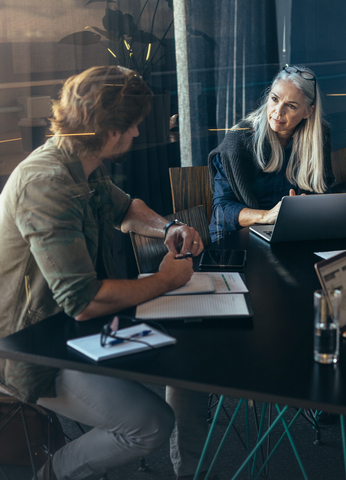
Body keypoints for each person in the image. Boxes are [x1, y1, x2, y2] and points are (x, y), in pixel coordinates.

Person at [0, 66, 205, 480]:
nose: (135, 135)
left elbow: (126, 209)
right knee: (150, 424)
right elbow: (83, 301)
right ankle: (49, 475)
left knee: (192, 364)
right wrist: (165, 280)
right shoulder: (45, 184)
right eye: (132, 127)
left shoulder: (81, 160)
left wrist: (170, 227)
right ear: (110, 131)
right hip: (27, 347)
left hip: (69, 331)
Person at [208, 65, 334, 242]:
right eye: (274, 99)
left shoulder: (318, 136)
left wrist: (307, 206)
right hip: (234, 238)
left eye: (291, 106)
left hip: (290, 234)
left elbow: (322, 189)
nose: (278, 111)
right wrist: (267, 216)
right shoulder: (238, 142)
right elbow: (222, 210)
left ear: (308, 111)